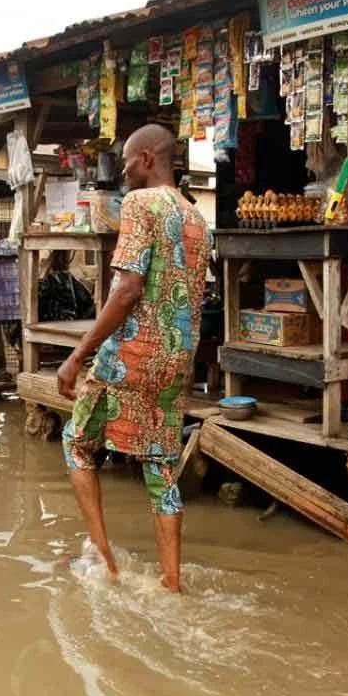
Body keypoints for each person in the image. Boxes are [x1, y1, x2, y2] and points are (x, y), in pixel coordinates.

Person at [57, 124, 211, 593]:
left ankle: (105, 560)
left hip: (133, 352)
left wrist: (77, 357)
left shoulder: (141, 205)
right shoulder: (196, 218)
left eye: (125, 160)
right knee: (161, 467)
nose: (122, 169)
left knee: (77, 443)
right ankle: (172, 582)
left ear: (146, 158)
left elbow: (127, 290)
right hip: (176, 358)